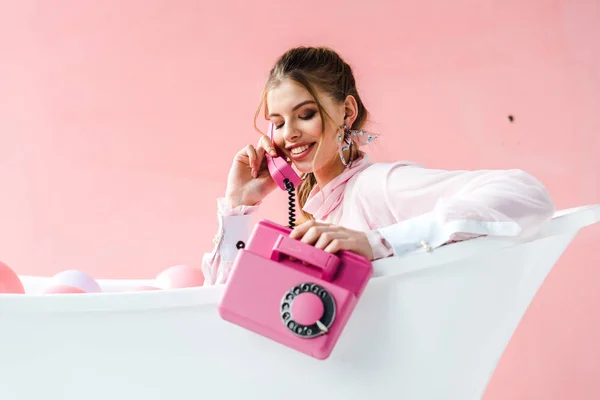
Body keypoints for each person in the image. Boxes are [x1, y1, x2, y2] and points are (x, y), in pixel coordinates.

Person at [201, 46, 555, 286]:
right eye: (277, 122)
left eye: (305, 114)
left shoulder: (375, 186)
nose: (289, 134)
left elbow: (526, 193)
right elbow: (218, 306)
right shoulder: (317, 215)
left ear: (348, 113)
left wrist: (378, 242)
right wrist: (239, 203)